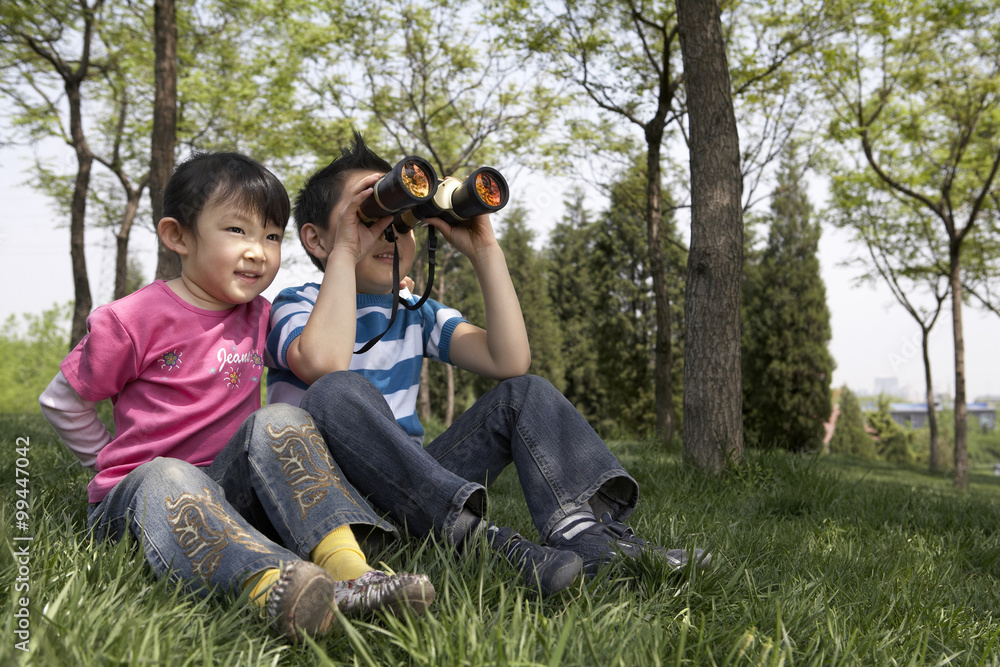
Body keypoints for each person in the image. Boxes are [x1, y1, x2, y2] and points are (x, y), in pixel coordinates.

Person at [265, 132, 711, 599]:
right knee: (336, 391)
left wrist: (484, 251)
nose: (388, 233)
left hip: (417, 490)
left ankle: (590, 537)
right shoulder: (297, 305)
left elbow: (509, 359)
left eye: (402, 220)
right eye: (369, 216)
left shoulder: (414, 311)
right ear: (315, 239)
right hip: (332, 508)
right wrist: (345, 252)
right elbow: (324, 363)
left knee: (527, 392)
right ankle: (486, 540)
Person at [38, 151, 433, 644]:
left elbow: (324, 353)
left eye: (270, 236)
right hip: (145, 501)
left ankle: (351, 574)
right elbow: (61, 400)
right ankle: (271, 584)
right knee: (167, 472)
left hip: (229, 492)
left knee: (282, 417)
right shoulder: (132, 318)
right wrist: (104, 462)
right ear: (178, 236)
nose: (258, 252)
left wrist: (368, 271)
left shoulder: (261, 315)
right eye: (236, 231)